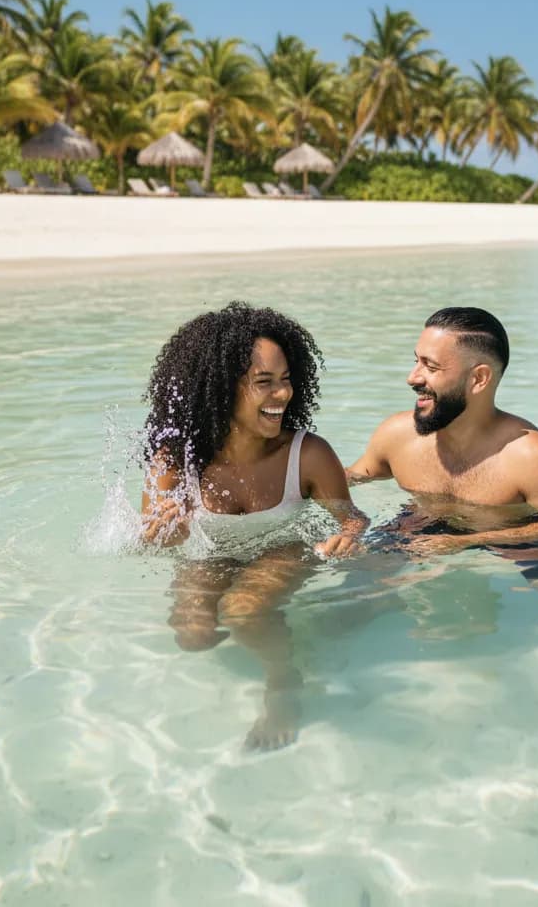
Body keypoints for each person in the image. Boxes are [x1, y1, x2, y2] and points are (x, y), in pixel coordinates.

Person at [316, 306, 538, 684]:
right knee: (346, 603)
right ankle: (371, 618)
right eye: (415, 362)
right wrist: (314, 496)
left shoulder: (529, 454)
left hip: (516, 529)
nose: (413, 377)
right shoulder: (397, 434)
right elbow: (354, 475)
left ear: (479, 379)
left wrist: (474, 541)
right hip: (425, 522)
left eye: (430, 366)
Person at [142, 301, 363, 749]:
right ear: (222, 388)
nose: (282, 395)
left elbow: (352, 518)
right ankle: (296, 632)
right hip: (214, 553)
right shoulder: (175, 460)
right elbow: (147, 540)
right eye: (264, 383)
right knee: (194, 637)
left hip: (284, 547)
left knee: (243, 612)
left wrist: (349, 535)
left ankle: (284, 683)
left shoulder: (309, 454)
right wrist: (164, 536)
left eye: (286, 380)